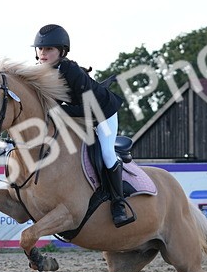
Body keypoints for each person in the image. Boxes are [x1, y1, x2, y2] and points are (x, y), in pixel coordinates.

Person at [32, 23, 135, 227]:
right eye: (41, 49)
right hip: (77, 115)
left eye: (49, 49)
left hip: (102, 113)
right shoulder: (39, 72)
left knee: (106, 152)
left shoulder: (71, 72)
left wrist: (56, 112)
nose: (43, 53)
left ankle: (118, 203)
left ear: (61, 52)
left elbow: (88, 109)